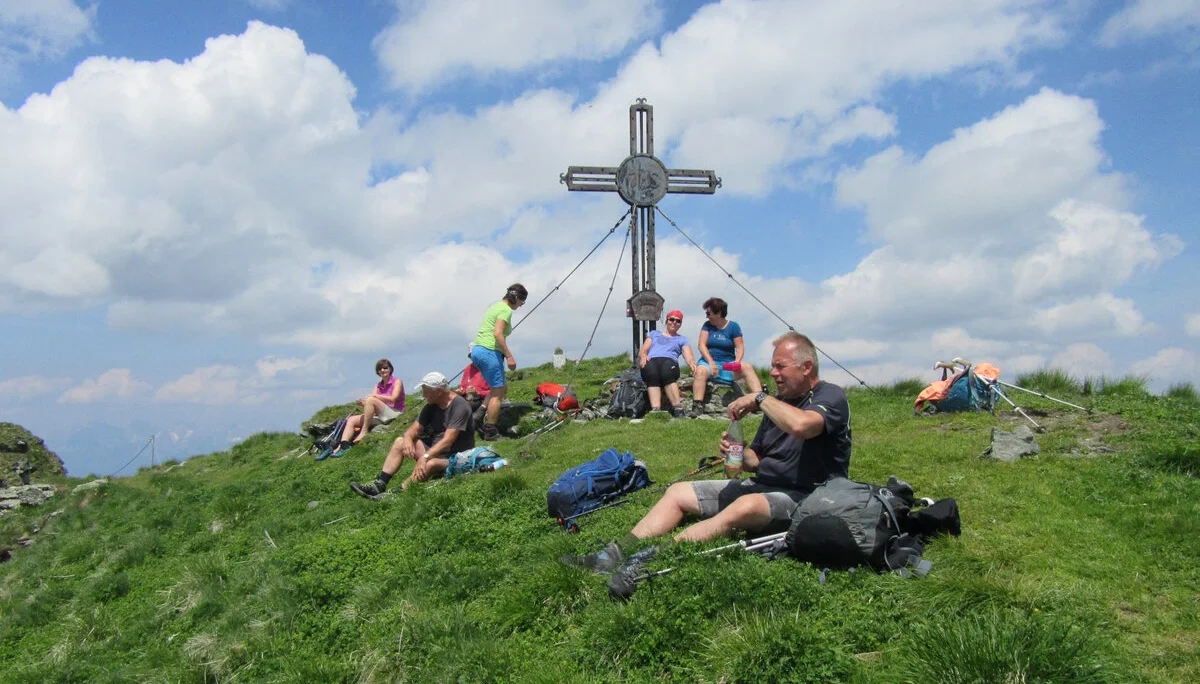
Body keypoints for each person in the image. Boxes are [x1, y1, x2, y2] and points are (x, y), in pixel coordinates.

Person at [565, 332, 852, 597]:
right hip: (764, 484)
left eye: (781, 367)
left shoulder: (830, 397)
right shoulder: (779, 403)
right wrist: (736, 453)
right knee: (678, 492)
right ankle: (611, 556)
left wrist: (760, 398)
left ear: (806, 367)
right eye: (773, 366)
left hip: (807, 496)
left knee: (746, 505)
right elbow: (757, 459)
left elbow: (803, 426)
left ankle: (647, 561)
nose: (774, 373)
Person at [348, 371, 475, 499]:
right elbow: (413, 430)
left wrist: (425, 457)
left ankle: (396, 494)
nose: (423, 394)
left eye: (425, 390)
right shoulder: (431, 406)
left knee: (430, 464)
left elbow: (448, 440)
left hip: (455, 457)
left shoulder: (459, 406)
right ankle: (379, 484)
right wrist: (408, 439)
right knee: (400, 441)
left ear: (438, 390)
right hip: (434, 451)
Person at [470, 283, 528, 440]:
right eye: (521, 303)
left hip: (477, 350)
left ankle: (479, 415)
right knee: (498, 393)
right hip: (489, 351)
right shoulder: (505, 310)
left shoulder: (495, 306)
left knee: (500, 388)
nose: (520, 306)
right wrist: (509, 356)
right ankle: (491, 431)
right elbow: (498, 334)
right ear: (516, 299)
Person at [691, 297, 762, 416]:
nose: (707, 316)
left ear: (719, 313)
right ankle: (697, 404)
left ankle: (759, 399)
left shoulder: (733, 327)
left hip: (726, 364)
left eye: (709, 313)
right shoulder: (707, 325)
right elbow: (701, 345)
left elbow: (739, 347)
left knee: (747, 367)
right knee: (700, 371)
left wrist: (737, 361)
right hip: (708, 363)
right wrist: (711, 362)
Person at [332, 358, 405, 455]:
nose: (382, 370)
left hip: (395, 413)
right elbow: (372, 404)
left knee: (371, 399)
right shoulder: (378, 385)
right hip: (382, 415)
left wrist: (374, 396)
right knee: (352, 420)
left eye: (385, 368)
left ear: (390, 369)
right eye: (380, 369)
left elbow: (393, 398)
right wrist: (362, 403)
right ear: (378, 372)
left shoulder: (397, 381)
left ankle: (364, 431)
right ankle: (343, 445)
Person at [638, 309, 697, 418]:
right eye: (672, 319)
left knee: (666, 371)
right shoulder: (654, 334)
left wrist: (692, 364)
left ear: (680, 324)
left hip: (669, 361)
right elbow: (644, 350)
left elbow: (688, 354)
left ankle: (678, 408)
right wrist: (643, 356)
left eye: (678, 321)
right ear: (667, 320)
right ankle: (656, 409)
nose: (674, 322)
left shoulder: (682, 339)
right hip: (653, 359)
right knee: (652, 372)